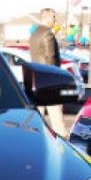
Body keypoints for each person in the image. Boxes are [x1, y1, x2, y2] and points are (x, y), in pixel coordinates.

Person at [28, 8, 67, 136]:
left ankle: (34, 138)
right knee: (57, 118)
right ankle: (63, 140)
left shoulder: (34, 33)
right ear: (45, 17)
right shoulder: (47, 34)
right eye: (53, 17)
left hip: (37, 78)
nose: (55, 20)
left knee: (37, 116)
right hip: (49, 81)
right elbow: (51, 59)